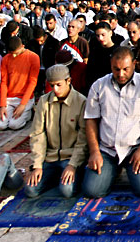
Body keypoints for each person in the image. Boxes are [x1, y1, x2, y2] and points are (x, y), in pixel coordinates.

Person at [82, 47, 140, 198]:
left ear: (134, 64)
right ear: (111, 65)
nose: (121, 74)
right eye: (116, 69)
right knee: (92, 191)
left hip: (135, 147)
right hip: (107, 149)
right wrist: (94, 152)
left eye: (125, 69)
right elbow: (91, 119)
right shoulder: (99, 86)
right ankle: (112, 170)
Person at [25, 65, 88, 198]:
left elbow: (83, 139)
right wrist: (37, 165)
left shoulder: (81, 102)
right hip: (49, 158)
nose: (55, 89)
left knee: (67, 191)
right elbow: (37, 134)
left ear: (68, 81)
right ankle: (55, 177)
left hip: (70, 158)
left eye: (59, 85)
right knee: (31, 190)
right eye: (52, 85)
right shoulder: (44, 101)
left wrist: (73, 165)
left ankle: (71, 176)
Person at [0, 37, 40, 131]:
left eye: (16, 53)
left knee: (14, 125)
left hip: (24, 97)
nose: (14, 56)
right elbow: (3, 82)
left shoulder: (33, 57)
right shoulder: (6, 59)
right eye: (11, 53)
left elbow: (32, 82)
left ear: (22, 46)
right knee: (0, 126)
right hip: (9, 98)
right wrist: (2, 105)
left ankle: (28, 113)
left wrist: (23, 104)